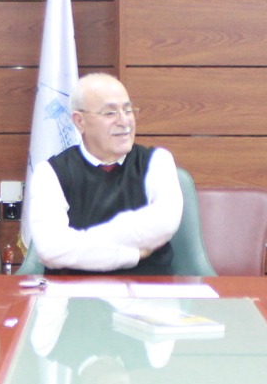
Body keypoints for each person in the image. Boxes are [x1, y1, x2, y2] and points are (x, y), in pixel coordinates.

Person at [24, 73, 182, 274]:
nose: (124, 121)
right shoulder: (50, 173)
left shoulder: (158, 161)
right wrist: (132, 255)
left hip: (147, 288)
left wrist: (80, 242)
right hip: (75, 290)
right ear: (79, 121)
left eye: (128, 110)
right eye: (110, 113)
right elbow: (51, 249)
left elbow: (164, 224)